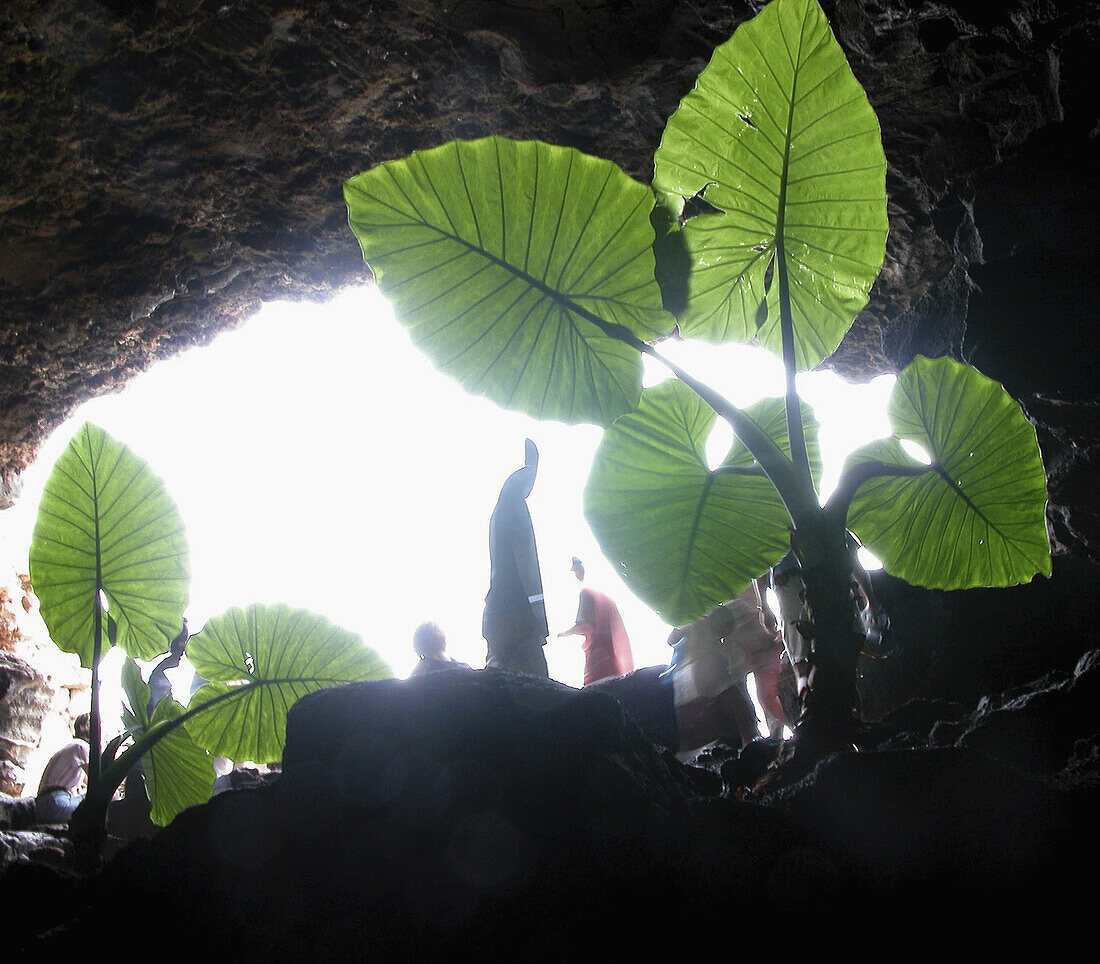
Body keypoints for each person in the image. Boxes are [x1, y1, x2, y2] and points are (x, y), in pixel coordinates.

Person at [666, 581, 787, 753]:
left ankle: (750, 742)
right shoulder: (721, 613)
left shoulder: (696, 616)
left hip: (699, 671)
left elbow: (672, 640)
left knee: (737, 708)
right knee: (741, 711)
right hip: (710, 668)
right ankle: (751, 743)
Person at [482, 439, 550, 677]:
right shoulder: (515, 505)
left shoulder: (499, 510)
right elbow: (526, 564)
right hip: (516, 617)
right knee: (538, 691)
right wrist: (539, 616)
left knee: (501, 688)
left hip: (497, 615)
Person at [558, 556, 634, 685]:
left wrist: (565, 633)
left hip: (599, 663)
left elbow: (584, 626)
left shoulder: (586, 592)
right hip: (614, 661)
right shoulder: (604, 595)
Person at [35, 712, 90, 824]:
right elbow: (97, 782)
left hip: (45, 805)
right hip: (55, 803)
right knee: (98, 800)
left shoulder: (72, 747)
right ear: (82, 727)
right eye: (96, 724)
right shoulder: (81, 746)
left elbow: (87, 781)